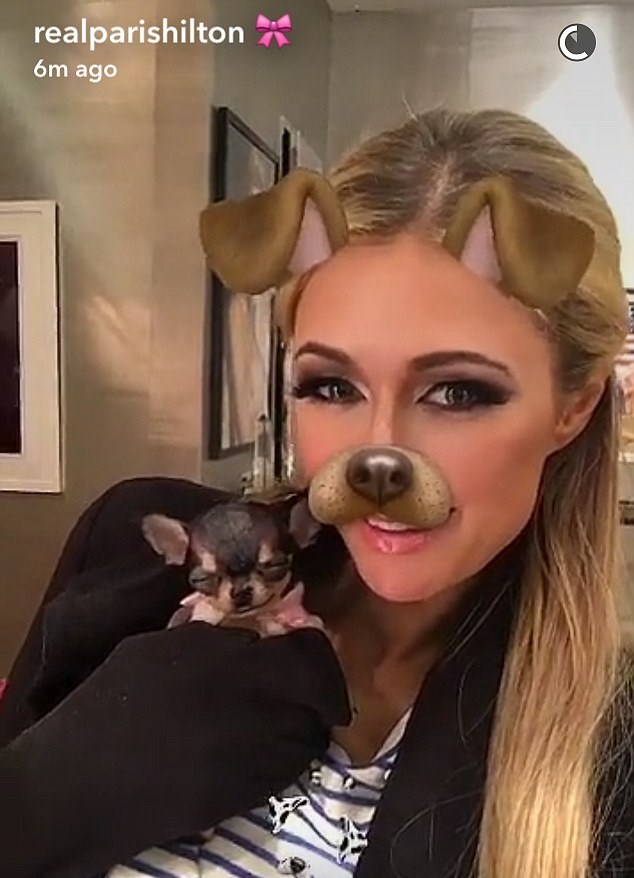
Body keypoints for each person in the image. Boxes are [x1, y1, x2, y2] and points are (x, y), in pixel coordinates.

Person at [0, 107, 633, 878]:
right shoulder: (128, 553)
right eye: (332, 385)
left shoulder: (609, 762)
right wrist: (49, 792)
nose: (378, 454)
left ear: (574, 405)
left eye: (458, 392)